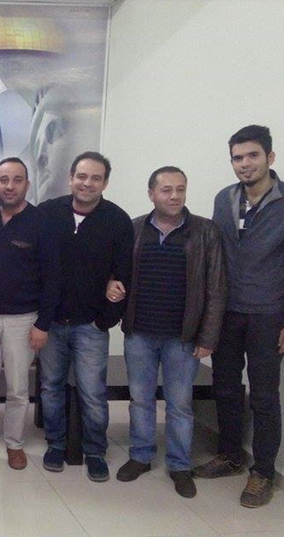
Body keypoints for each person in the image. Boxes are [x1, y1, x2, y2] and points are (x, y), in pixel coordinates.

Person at [107, 166, 227, 499]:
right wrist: (111, 285)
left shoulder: (205, 232)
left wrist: (208, 337)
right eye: (166, 190)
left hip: (183, 337)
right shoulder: (133, 229)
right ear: (151, 194)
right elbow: (115, 272)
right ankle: (140, 456)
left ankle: (179, 465)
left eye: (180, 189)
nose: (174, 196)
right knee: (140, 400)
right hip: (140, 333)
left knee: (179, 405)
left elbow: (217, 288)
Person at [194, 125, 284, 508]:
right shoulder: (224, 198)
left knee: (264, 396)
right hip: (226, 312)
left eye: (252, 156)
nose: (245, 164)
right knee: (226, 386)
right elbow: (215, 254)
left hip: (268, 314)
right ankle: (231, 455)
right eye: (237, 158)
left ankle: (262, 472)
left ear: (269, 158)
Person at [37, 151, 133, 482]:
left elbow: (124, 276)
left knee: (92, 393)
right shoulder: (48, 213)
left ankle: (95, 451)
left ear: (105, 183)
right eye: (81, 176)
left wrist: (105, 320)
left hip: (91, 326)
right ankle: (55, 445)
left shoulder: (117, 221)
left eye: (95, 178)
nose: (87, 183)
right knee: (50, 388)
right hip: (51, 323)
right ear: (70, 178)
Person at [0, 157, 61, 472]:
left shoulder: (41, 222)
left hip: (23, 320)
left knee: (18, 389)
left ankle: (15, 444)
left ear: (27, 185)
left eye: (17, 180)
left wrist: (43, 324)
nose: (9, 186)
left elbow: (53, 278)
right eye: (3, 180)